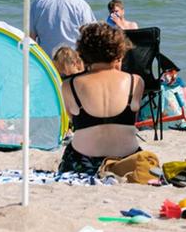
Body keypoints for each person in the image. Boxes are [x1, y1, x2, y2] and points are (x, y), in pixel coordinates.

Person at [58, 23, 143, 174]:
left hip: (82, 161)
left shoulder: (69, 85)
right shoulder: (135, 82)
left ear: (83, 52)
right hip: (126, 160)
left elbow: (73, 119)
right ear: (119, 51)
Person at [31, 0, 98, 57]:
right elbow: (90, 37)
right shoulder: (81, 5)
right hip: (73, 64)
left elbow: (31, 37)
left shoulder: (39, 3)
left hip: (47, 65)